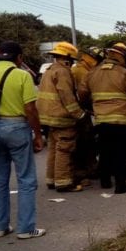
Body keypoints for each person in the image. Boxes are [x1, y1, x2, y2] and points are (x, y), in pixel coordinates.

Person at [0, 41, 46, 239]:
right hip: (17, 127)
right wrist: (38, 134)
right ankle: (26, 228)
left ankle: (0, 227)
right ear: (19, 58)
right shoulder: (22, 75)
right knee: (26, 179)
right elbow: (30, 109)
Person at [78, 42, 126, 194]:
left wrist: (91, 107)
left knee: (105, 151)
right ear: (122, 57)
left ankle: (105, 182)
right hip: (123, 121)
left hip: (102, 120)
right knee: (122, 153)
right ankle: (121, 185)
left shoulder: (92, 73)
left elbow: (82, 94)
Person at [37, 41, 86, 193]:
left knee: (54, 148)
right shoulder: (63, 72)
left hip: (48, 117)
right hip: (62, 118)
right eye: (71, 61)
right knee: (64, 149)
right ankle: (63, 182)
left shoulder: (49, 70)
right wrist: (80, 115)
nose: (71, 64)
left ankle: (51, 179)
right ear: (67, 59)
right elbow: (67, 97)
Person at [71, 46, 104, 184]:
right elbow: (84, 94)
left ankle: (90, 169)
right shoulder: (81, 72)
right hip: (81, 113)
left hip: (82, 112)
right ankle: (82, 173)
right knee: (83, 143)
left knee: (88, 141)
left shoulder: (81, 69)